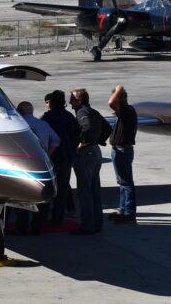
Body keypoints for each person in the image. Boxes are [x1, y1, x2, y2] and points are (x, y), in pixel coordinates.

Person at [15, 101, 59, 235]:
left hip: (24, 165)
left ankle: (21, 228)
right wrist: (46, 155)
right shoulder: (43, 124)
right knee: (42, 198)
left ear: (19, 112)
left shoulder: (19, 125)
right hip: (41, 164)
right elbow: (56, 141)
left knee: (22, 199)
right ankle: (37, 228)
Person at [68, 88, 106, 235]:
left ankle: (87, 226)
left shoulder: (82, 112)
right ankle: (97, 224)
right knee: (94, 190)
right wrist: (97, 141)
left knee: (84, 191)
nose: (70, 101)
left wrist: (82, 144)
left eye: (72, 99)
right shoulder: (93, 111)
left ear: (79, 100)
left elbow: (87, 128)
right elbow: (107, 128)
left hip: (86, 153)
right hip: (95, 151)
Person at [41, 89, 80, 224]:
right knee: (63, 188)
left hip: (53, 157)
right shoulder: (69, 117)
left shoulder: (47, 117)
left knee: (47, 187)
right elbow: (77, 135)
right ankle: (58, 218)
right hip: (67, 157)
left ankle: (43, 217)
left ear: (51, 102)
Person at [107, 84, 138, 224]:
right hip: (120, 150)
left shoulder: (127, 110)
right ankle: (123, 210)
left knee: (126, 183)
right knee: (122, 182)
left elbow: (111, 103)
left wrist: (118, 89)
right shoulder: (126, 111)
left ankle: (129, 213)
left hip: (122, 150)